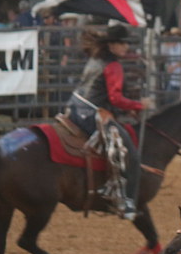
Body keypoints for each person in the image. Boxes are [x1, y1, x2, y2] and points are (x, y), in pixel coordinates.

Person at [65, 24, 154, 220]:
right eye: (122, 43)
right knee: (131, 155)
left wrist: (128, 107)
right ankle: (127, 202)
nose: (126, 47)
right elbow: (115, 98)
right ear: (111, 45)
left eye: (126, 43)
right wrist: (139, 104)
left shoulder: (96, 58)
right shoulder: (113, 66)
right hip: (93, 115)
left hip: (74, 110)